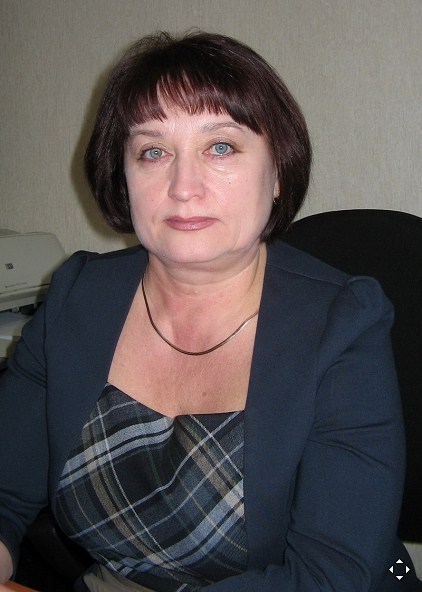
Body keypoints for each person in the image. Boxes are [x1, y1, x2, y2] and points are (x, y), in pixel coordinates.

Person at [0, 31, 420, 592]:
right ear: (124, 177)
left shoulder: (343, 325)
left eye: (220, 147)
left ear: (277, 172)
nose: (183, 187)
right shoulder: (78, 297)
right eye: (153, 151)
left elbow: (330, 576)